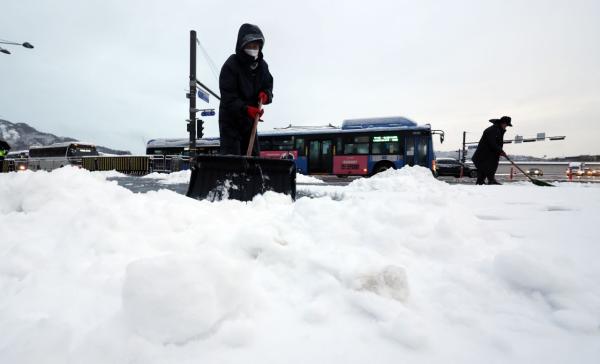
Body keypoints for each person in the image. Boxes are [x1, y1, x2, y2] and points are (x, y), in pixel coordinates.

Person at [218, 23, 273, 156]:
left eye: (256, 46)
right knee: (233, 157)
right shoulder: (231, 65)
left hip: (250, 121)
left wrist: (265, 94)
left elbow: (268, 85)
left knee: (253, 158)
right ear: (242, 46)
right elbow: (228, 97)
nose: (253, 49)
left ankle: (253, 177)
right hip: (231, 120)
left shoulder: (262, 66)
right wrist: (245, 109)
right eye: (250, 46)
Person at [471, 116, 512, 185]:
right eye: (506, 125)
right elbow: (492, 143)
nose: (506, 127)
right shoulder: (493, 130)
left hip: (488, 156)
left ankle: (484, 183)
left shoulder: (497, 130)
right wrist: (501, 151)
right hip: (483, 156)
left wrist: (500, 151)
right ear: (503, 123)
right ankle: (490, 181)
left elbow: (495, 144)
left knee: (484, 172)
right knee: (487, 168)